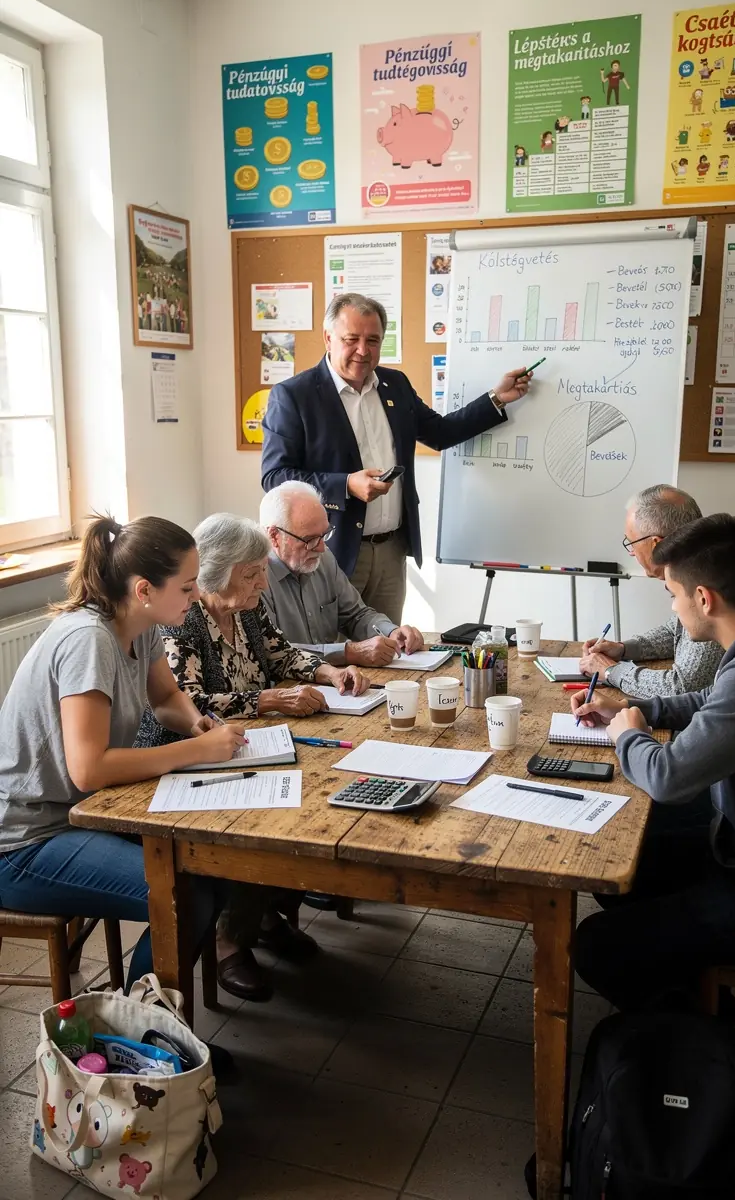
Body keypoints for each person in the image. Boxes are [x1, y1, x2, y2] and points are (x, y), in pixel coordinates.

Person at [571, 515, 735, 1111]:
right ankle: (719, 1016)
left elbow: (669, 776)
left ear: (703, 597)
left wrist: (630, 733)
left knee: (600, 948)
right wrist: (640, 704)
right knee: (626, 866)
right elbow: (717, 699)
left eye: (673, 596)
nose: (675, 611)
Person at [0, 514, 245, 990]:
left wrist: (195, 722)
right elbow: (89, 769)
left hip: (77, 814)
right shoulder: (87, 640)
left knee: (210, 867)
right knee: (182, 895)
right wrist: (195, 750)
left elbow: (166, 698)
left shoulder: (142, 624)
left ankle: (157, 1029)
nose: (196, 596)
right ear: (144, 589)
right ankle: (136, 1042)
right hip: (24, 842)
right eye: (188, 586)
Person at [137, 513, 369, 1001]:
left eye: (262, 571)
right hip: (189, 755)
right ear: (216, 574)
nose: (263, 582)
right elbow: (190, 703)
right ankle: (230, 940)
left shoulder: (248, 607)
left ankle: (265, 914)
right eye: (252, 573)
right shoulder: (185, 621)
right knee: (256, 820)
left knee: (308, 801)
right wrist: (268, 701)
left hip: (255, 742)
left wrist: (328, 671)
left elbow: (282, 654)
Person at [260, 292, 531, 622]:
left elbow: (441, 433)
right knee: (339, 656)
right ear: (328, 338)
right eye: (352, 339)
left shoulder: (395, 384)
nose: (363, 350)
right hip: (333, 550)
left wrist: (496, 398)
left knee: (390, 649)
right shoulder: (294, 396)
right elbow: (275, 477)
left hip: (392, 551)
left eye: (373, 340)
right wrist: (346, 485)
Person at [579, 485, 735, 697]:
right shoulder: (710, 559)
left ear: (656, 544)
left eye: (631, 543)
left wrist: (610, 671)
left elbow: (682, 687)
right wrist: (624, 649)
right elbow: (678, 630)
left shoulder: (709, 580)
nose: (631, 553)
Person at [260, 481, 423, 667]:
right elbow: (273, 653)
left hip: (335, 682)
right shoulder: (255, 577)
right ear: (274, 536)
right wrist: (347, 653)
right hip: (285, 689)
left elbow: (356, 615)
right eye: (310, 539)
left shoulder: (324, 558)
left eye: (325, 534)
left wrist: (391, 632)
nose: (321, 547)